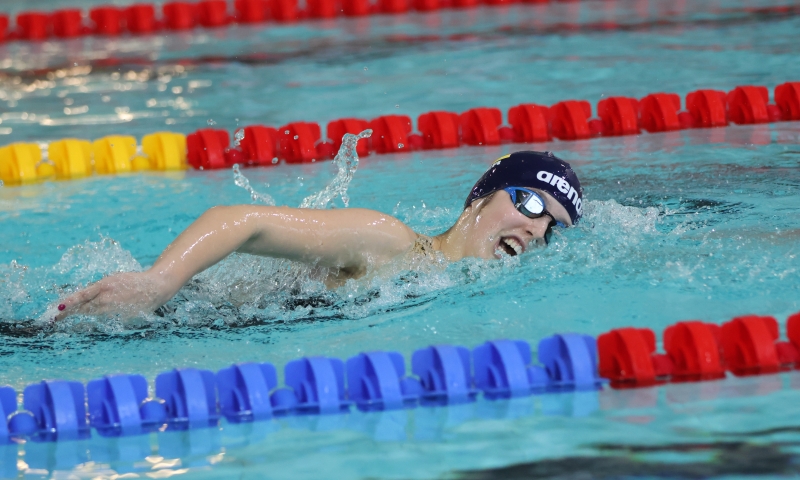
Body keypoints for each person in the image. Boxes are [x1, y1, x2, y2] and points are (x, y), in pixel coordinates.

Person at [54, 151, 583, 321]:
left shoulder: (453, 287)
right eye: (530, 203)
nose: (536, 229)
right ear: (479, 200)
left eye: (551, 226)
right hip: (169, 314)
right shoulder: (390, 243)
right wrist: (158, 282)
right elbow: (239, 220)